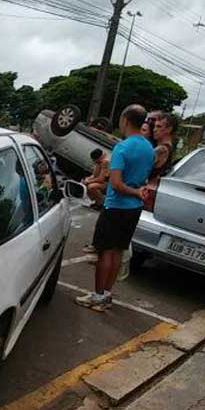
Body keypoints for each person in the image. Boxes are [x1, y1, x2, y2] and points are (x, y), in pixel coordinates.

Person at [76, 104, 154, 312]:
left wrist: (134, 191)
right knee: (118, 251)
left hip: (116, 206)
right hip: (134, 209)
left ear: (125, 120)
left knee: (105, 253)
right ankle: (107, 294)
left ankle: (98, 295)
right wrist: (138, 192)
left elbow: (117, 183)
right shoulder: (148, 147)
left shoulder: (122, 148)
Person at [150, 112, 177, 181]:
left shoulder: (162, 149)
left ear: (169, 129)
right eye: (154, 126)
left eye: (159, 126)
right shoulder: (168, 147)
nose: (154, 130)